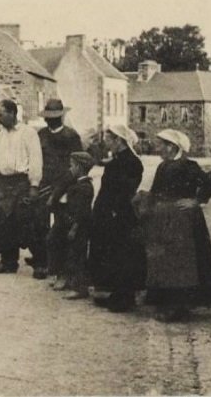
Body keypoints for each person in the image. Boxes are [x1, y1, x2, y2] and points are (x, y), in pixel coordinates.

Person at [134, 129, 211, 322]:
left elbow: (208, 184)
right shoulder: (163, 166)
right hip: (164, 220)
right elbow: (156, 191)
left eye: (161, 146)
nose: (158, 149)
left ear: (172, 147)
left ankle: (179, 307)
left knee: (182, 263)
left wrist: (196, 201)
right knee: (165, 262)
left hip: (183, 221)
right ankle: (170, 304)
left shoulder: (188, 166)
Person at [88, 124, 146, 312]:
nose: (106, 142)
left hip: (119, 214)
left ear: (119, 141)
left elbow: (126, 191)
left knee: (121, 253)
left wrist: (114, 210)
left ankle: (124, 296)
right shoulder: (115, 161)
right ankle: (109, 291)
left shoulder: (132, 163)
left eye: (109, 139)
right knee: (107, 250)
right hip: (107, 211)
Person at [0, 99, 44, 275]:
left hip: (21, 182)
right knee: (3, 223)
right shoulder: (1, 134)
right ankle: (8, 262)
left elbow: (35, 159)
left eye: (1, 114)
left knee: (26, 222)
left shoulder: (28, 133)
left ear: (12, 113)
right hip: (4, 183)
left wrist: (34, 185)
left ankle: (41, 263)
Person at [37, 98, 83, 282]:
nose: (51, 120)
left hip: (65, 186)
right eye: (49, 117)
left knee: (61, 224)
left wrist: (64, 185)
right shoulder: (40, 135)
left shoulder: (71, 136)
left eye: (55, 117)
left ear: (62, 117)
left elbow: (77, 164)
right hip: (43, 184)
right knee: (40, 223)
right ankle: (42, 262)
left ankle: (61, 266)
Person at [59, 152, 96, 300]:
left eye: (72, 165)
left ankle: (80, 288)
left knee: (78, 255)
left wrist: (74, 227)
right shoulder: (79, 184)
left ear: (80, 167)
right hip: (74, 224)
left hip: (79, 226)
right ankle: (72, 282)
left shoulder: (85, 187)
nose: (70, 168)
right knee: (72, 253)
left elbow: (82, 211)